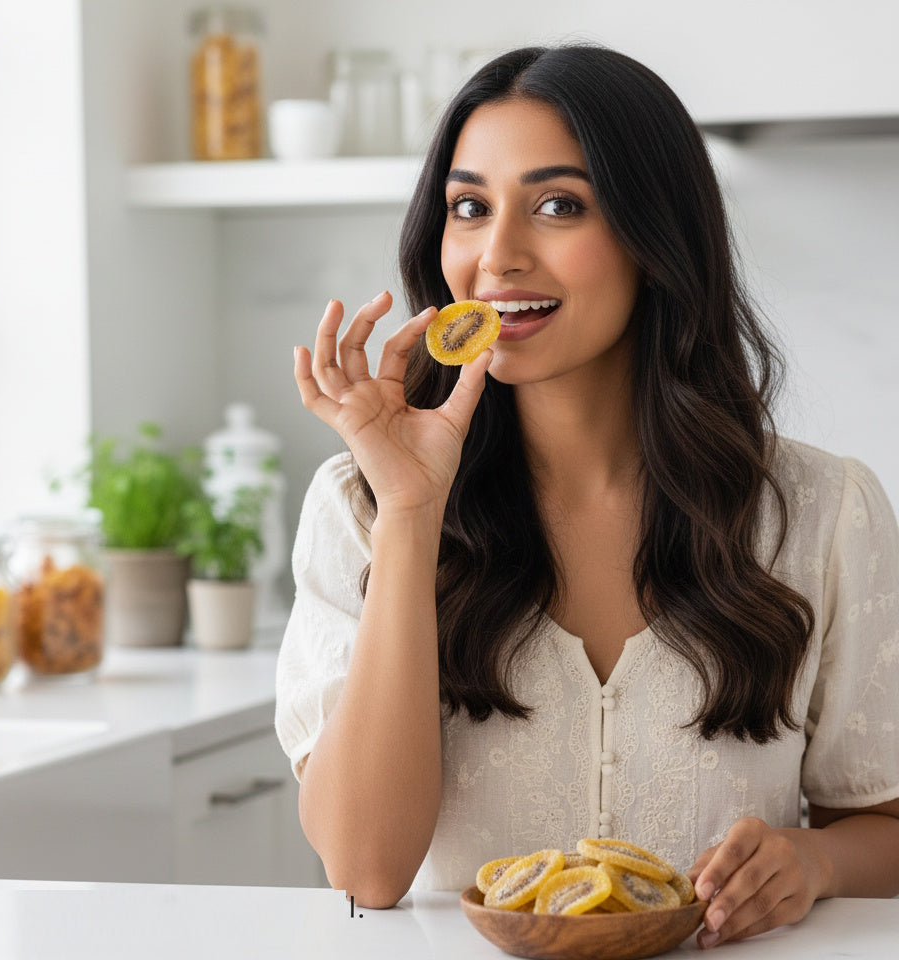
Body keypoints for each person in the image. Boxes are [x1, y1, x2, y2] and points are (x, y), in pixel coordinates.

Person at [274, 44, 899, 947]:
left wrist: (817, 861)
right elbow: (367, 869)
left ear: (656, 236)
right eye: (469, 207)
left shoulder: (820, 512)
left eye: (558, 205)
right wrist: (412, 513)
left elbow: (885, 825)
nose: (499, 254)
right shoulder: (363, 506)